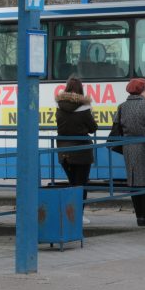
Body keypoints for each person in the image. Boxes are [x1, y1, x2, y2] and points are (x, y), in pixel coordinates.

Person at [111, 77, 145, 227]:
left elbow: (117, 128)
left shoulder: (122, 107)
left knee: (133, 182)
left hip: (129, 148)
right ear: (142, 90)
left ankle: (139, 216)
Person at [55, 76, 98, 224]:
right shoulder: (84, 109)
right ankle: (78, 215)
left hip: (63, 151)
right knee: (81, 185)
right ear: (80, 90)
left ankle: (69, 215)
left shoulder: (59, 107)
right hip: (81, 151)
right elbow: (93, 128)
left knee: (72, 183)